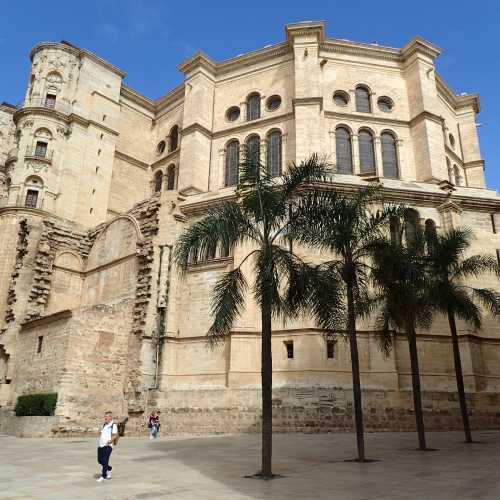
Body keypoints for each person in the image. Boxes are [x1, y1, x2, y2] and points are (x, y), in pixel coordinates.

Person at [96, 411, 118, 482]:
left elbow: (115, 435)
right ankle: (109, 468)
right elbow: (101, 433)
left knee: (105, 461)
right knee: (99, 460)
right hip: (101, 445)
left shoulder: (113, 425)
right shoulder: (104, 425)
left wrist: (110, 441)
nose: (105, 418)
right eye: (105, 416)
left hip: (108, 446)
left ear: (110, 417)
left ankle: (103, 476)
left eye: (107, 416)